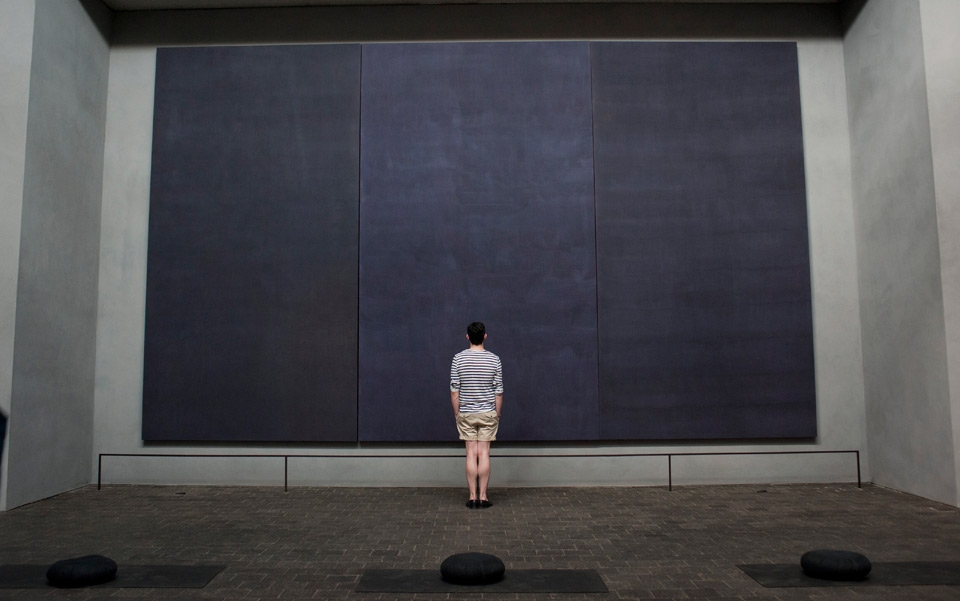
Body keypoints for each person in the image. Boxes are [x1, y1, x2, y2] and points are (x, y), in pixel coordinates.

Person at [450, 322, 503, 509]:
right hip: (488, 412)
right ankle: (484, 497)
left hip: (466, 412)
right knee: (484, 454)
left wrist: (457, 411)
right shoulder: (494, 360)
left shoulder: (458, 359)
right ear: (485, 336)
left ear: (467, 337)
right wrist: (497, 413)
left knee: (471, 454)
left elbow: (455, 390)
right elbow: (498, 391)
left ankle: (472, 498)